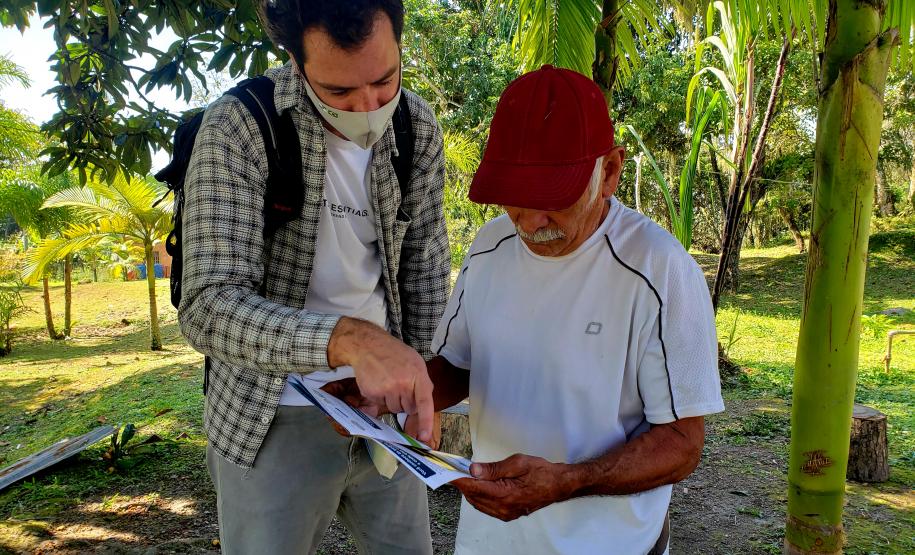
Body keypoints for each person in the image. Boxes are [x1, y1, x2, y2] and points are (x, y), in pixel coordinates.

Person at [333, 64, 725, 554]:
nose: (530, 222)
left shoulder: (658, 270)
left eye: (553, 199)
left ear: (610, 172)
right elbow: (458, 364)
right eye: (515, 200)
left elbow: (683, 443)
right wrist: (393, 397)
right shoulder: (490, 245)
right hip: (490, 539)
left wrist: (569, 481)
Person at [176, 1, 449, 553]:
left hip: (383, 419)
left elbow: (424, 273)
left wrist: (424, 388)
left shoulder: (416, 126)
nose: (368, 107)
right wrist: (348, 340)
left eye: (384, 79)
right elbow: (207, 304)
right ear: (297, 64)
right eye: (339, 93)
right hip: (268, 416)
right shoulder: (240, 127)